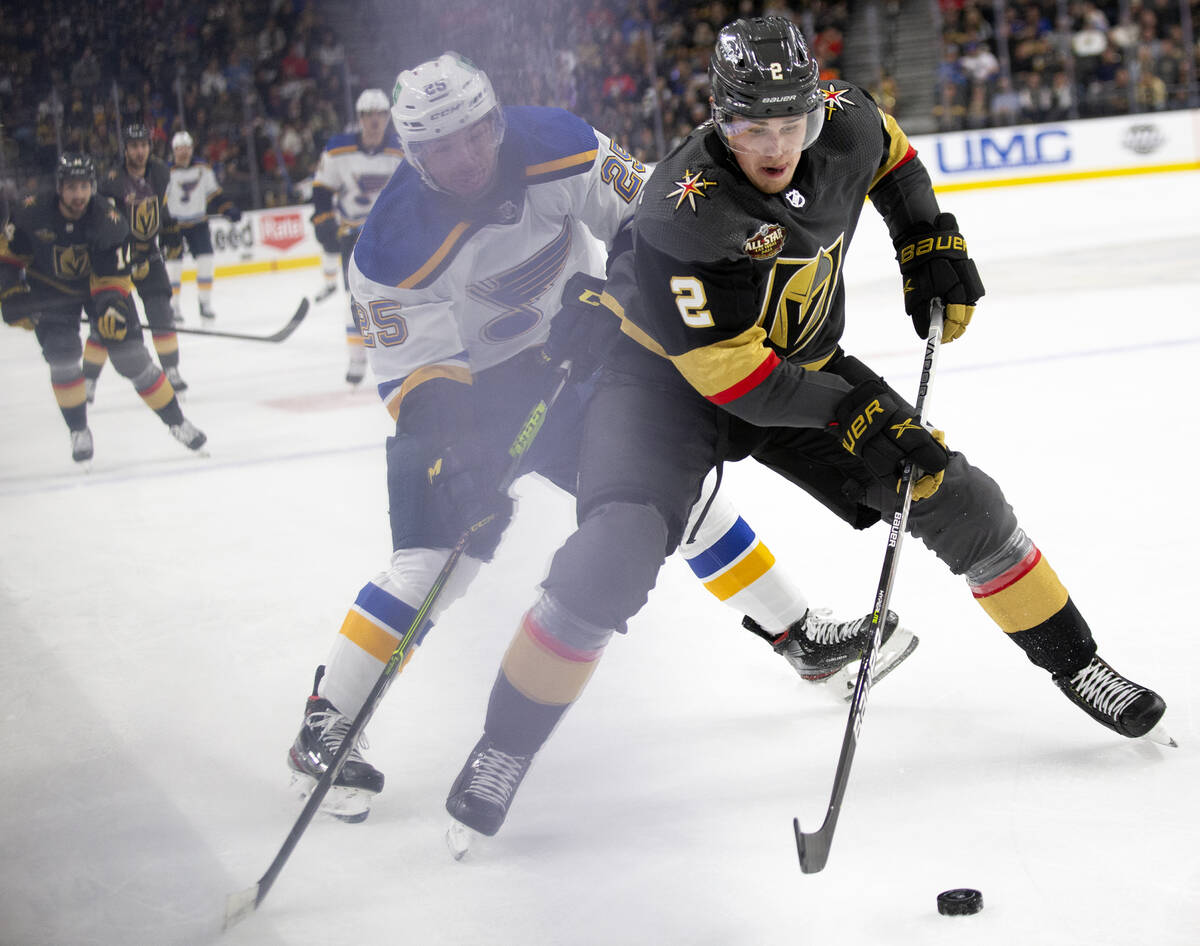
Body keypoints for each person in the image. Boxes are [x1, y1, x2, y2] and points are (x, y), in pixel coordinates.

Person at [443, 16, 1172, 842]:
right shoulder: (687, 206)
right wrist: (849, 411)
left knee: (954, 493)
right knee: (608, 555)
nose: (776, 143)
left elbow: (892, 151)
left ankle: (1078, 662)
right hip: (664, 384)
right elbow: (729, 376)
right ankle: (503, 746)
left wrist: (924, 237)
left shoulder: (846, 120)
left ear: (818, 108)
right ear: (720, 117)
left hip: (796, 364)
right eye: (753, 126)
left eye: (792, 122)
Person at [284, 52, 917, 824]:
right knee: (436, 562)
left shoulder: (559, 142)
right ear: (416, 157)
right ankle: (327, 721)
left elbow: (656, 222)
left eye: (475, 134)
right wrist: (465, 457)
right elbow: (418, 373)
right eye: (441, 148)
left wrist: (613, 292)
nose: (466, 157)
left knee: (668, 501)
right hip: (456, 396)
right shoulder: (387, 248)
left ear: (495, 121)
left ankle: (798, 633)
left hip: (578, 361)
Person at [0, 153, 207, 462]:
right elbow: (9, 260)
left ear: (92, 187)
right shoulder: (32, 213)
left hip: (98, 289)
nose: (78, 195)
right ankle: (78, 429)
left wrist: (111, 309)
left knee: (131, 358)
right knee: (62, 355)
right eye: (71, 188)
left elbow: (114, 278)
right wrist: (11, 293)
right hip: (50, 291)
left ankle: (177, 422)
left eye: (84, 187)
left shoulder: (107, 220)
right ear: (59, 188)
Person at [84, 123, 190, 400]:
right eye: (134, 146)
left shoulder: (160, 173)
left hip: (149, 254)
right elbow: (105, 224)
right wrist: (128, 258)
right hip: (116, 257)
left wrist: (172, 237)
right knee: (108, 320)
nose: (140, 151)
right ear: (126, 149)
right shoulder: (110, 180)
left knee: (161, 313)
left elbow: (165, 211)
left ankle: (172, 370)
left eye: (144, 145)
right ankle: (88, 380)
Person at [310, 88, 405, 384]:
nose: (375, 120)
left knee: (401, 294)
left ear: (387, 117)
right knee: (356, 299)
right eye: (369, 115)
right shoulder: (338, 150)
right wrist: (323, 220)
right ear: (360, 118)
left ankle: (401, 353)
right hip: (353, 236)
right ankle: (356, 359)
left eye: (380, 114)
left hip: (392, 235)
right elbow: (322, 189)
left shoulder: (402, 149)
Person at [165, 130, 242, 321]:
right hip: (174, 225)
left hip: (199, 222)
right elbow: (160, 200)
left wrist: (227, 209)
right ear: (174, 151)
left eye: (186, 148)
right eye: (179, 149)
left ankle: (205, 303)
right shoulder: (166, 172)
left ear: (191, 149)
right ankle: (174, 307)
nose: (183, 152)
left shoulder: (203, 168)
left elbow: (214, 194)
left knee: (206, 261)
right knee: (173, 266)